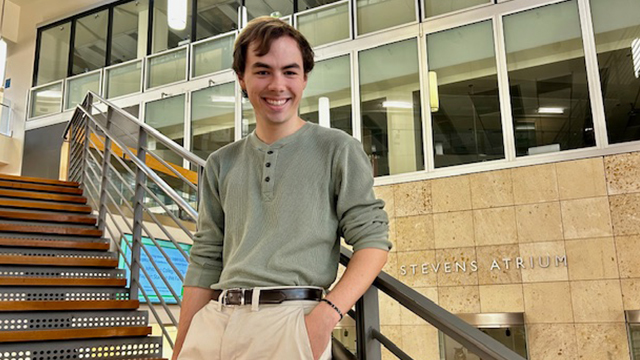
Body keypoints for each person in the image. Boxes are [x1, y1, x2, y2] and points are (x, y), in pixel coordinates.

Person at [173, 16, 391, 360]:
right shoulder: (220, 162)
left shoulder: (337, 149)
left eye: (289, 71)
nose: (277, 85)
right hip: (216, 321)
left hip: (291, 323)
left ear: (304, 79)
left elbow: (373, 242)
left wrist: (324, 317)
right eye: (262, 71)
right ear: (241, 79)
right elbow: (205, 259)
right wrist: (181, 347)